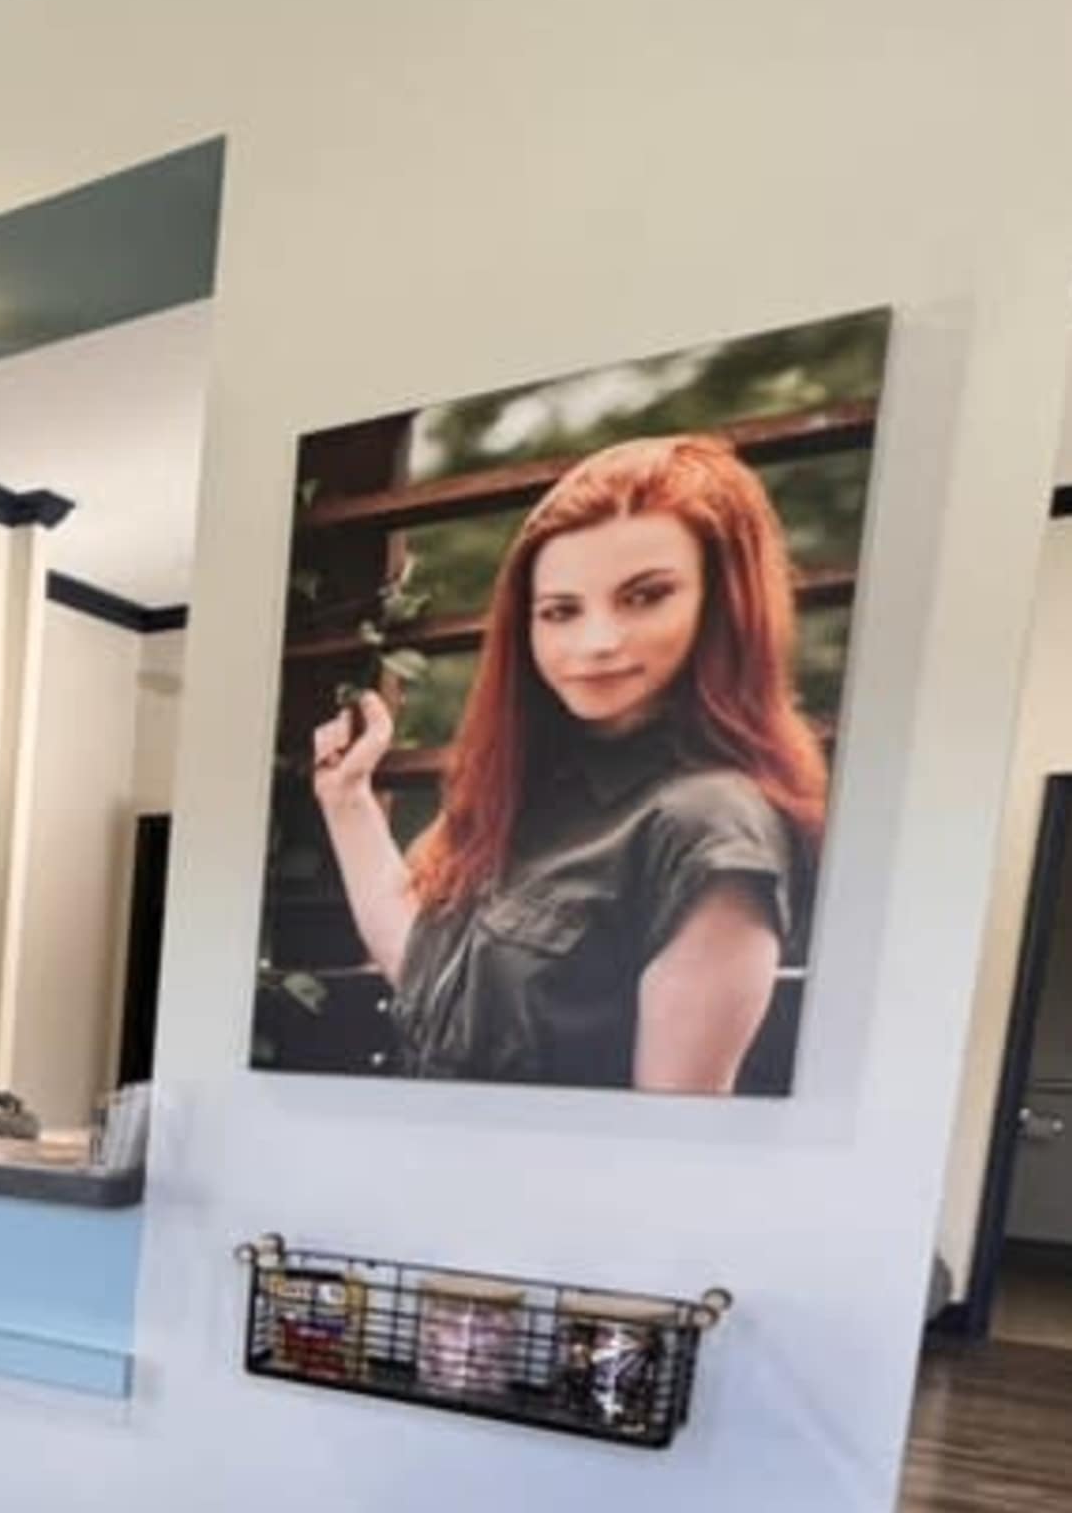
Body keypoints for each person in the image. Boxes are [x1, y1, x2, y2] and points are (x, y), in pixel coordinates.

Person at [307, 432, 825, 1094]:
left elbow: (669, 1141)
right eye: (560, 611)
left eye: (645, 596)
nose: (598, 642)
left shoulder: (712, 825)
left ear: (721, 604)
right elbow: (428, 986)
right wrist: (347, 801)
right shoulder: (531, 782)